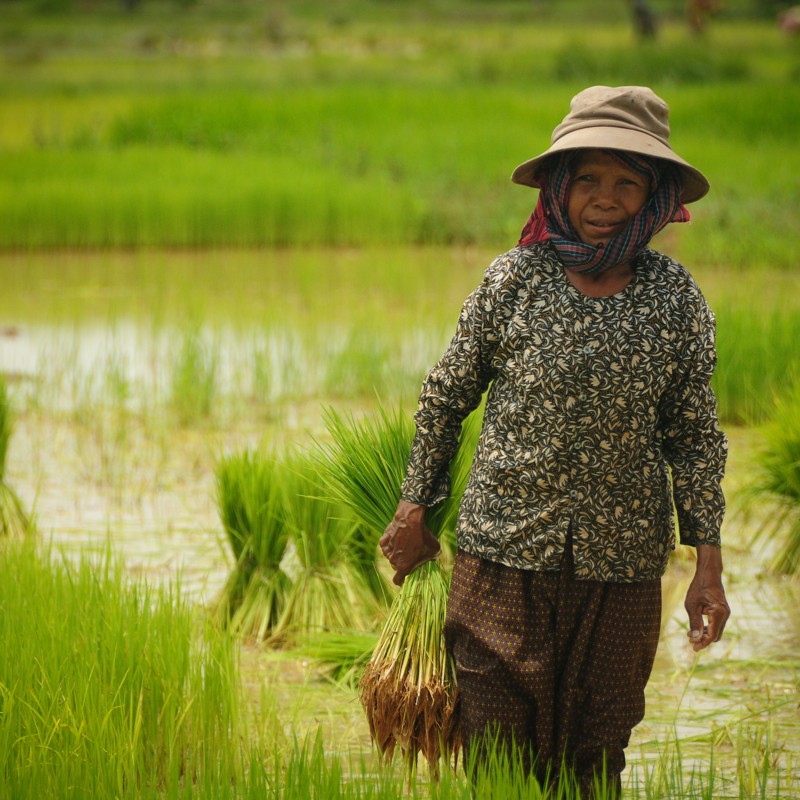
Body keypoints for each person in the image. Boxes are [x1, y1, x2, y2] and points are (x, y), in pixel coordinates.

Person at [379, 85, 731, 797]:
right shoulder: (513, 281)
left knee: (597, 756)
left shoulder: (676, 299)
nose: (605, 198)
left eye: (626, 182)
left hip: (624, 566)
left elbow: (694, 437)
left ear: (655, 196)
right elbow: (446, 397)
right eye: (589, 179)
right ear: (559, 186)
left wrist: (708, 565)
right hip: (502, 555)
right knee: (497, 755)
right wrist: (415, 506)